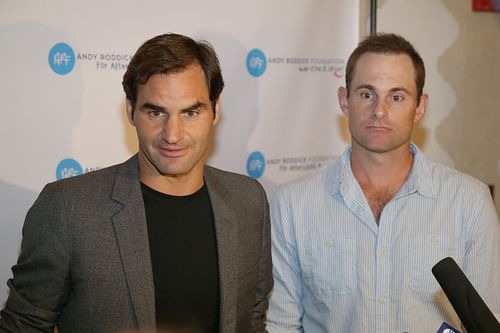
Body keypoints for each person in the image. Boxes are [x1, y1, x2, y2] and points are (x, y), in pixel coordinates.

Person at [0, 33, 272, 333]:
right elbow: (22, 326)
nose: (172, 134)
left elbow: (252, 319)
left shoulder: (248, 200)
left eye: (191, 112)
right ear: (130, 111)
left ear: (215, 111)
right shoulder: (68, 209)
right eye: (155, 112)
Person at [266, 33, 500, 332]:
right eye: (366, 94)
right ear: (344, 100)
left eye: (397, 96)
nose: (379, 110)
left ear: (420, 107)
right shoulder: (292, 205)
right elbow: (281, 326)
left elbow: (488, 321)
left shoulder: (470, 202)